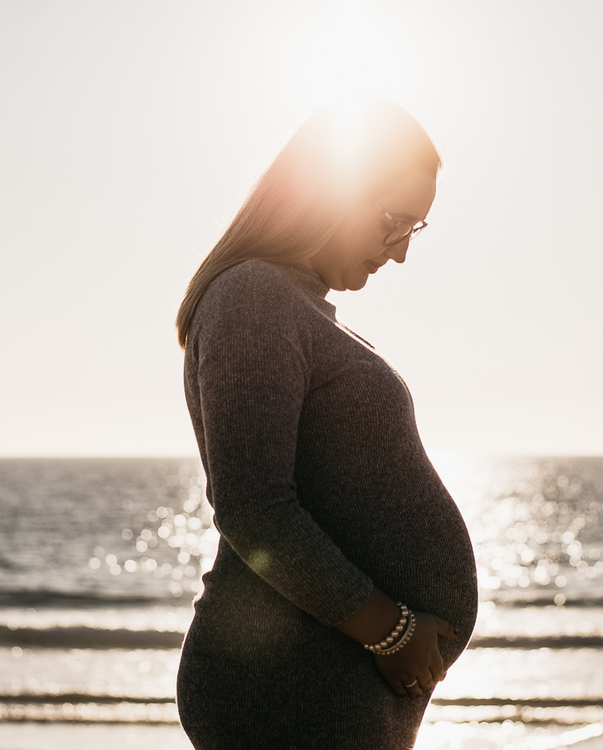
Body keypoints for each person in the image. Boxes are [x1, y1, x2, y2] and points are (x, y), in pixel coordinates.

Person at [174, 98, 478, 749]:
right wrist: (389, 630)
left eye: (414, 231)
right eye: (393, 222)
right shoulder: (254, 296)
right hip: (285, 690)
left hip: (319, 686)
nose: (398, 254)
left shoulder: (297, 307)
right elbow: (253, 507)